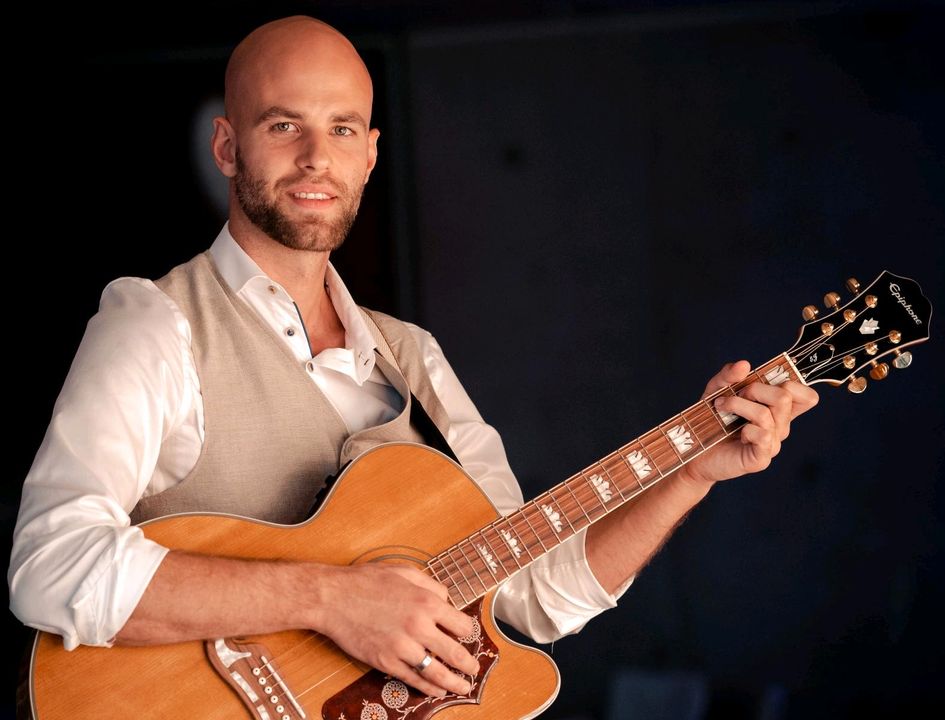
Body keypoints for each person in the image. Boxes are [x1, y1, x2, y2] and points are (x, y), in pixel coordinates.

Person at [9, 15, 818, 702]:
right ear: (227, 146)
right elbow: (50, 564)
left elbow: (530, 594)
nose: (316, 157)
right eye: (283, 125)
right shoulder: (156, 321)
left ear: (369, 153)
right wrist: (331, 600)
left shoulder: (409, 357)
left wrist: (693, 470)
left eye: (343, 129)